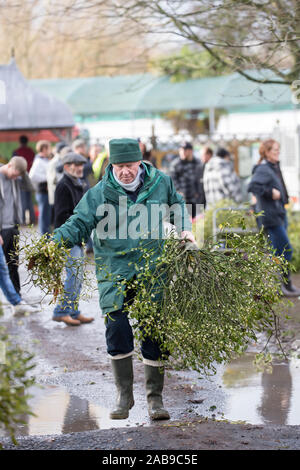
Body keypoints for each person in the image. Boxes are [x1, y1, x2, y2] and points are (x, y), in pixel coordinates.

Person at [44, 138, 195, 421]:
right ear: (111, 165)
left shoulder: (161, 182)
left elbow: (178, 206)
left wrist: (184, 229)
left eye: (130, 166)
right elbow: (78, 223)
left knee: (154, 329)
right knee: (117, 326)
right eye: (119, 166)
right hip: (114, 268)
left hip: (153, 265)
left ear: (140, 163)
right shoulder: (99, 193)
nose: (125, 171)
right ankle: (124, 395)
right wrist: (53, 244)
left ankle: (155, 398)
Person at [247, 139, 300, 297]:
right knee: (285, 250)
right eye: (274, 150)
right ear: (266, 152)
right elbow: (253, 186)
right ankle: (284, 285)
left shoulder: (273, 167)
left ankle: (278, 286)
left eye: (278, 149)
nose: (277, 152)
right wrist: (271, 192)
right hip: (271, 217)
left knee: (277, 252)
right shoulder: (264, 168)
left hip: (279, 214)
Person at [52, 152, 94, 326]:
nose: (79, 168)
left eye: (81, 165)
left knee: (78, 277)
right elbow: (61, 217)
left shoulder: (78, 183)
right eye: (76, 165)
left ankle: (74, 312)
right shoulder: (63, 186)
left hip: (78, 237)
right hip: (69, 238)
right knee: (73, 276)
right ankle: (61, 311)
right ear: (67, 166)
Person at [0, 156, 34, 295]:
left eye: (18, 176)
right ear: (9, 166)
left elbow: (30, 187)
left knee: (13, 263)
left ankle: (16, 296)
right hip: (2, 228)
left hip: (13, 227)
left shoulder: (16, 178)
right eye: (14, 174)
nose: (15, 178)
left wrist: (23, 172)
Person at [0, 234, 38, 316]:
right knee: (3, 269)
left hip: (11, 228)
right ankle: (16, 302)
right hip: (6, 230)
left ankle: (16, 301)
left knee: (6, 268)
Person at [169, 141, 204, 218]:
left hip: (197, 200)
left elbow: (201, 179)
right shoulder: (175, 164)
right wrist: (179, 191)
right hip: (182, 200)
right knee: (184, 225)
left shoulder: (198, 163)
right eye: (181, 150)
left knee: (199, 226)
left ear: (190, 151)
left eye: (185, 150)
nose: (182, 152)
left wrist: (198, 192)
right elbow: (172, 181)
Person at [29, 140, 53, 235]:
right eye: (49, 148)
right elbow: (32, 176)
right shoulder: (38, 161)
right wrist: (47, 179)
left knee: (46, 216)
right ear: (44, 149)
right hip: (42, 192)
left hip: (46, 192)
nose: (50, 150)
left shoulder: (44, 160)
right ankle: (44, 237)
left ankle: (46, 236)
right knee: (43, 216)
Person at [12, 135, 36, 225]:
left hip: (20, 178)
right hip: (30, 178)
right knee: (29, 200)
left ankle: (22, 220)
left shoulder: (16, 152)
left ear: (20, 142)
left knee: (22, 200)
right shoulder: (31, 151)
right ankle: (32, 219)